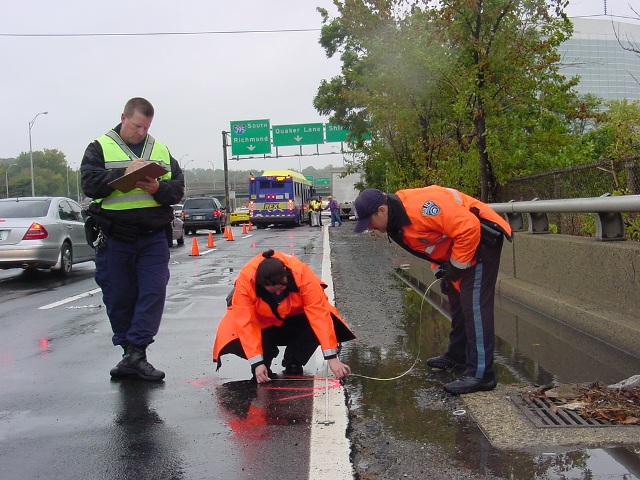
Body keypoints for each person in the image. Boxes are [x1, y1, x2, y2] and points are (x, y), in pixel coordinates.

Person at [352, 187, 512, 394]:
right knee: (457, 302)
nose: (371, 228)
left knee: (474, 307)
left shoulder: (422, 209)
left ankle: (482, 374)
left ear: (381, 210)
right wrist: (442, 271)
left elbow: (468, 227)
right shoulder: (396, 221)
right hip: (460, 246)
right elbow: (430, 245)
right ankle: (458, 355)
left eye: (370, 222)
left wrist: (456, 268)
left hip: (481, 239)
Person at [81, 97, 185, 381]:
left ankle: (136, 351)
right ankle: (131, 355)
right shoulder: (100, 147)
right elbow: (89, 185)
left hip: (152, 237)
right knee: (119, 297)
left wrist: (157, 188)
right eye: (137, 125)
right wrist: (121, 174)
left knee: (153, 291)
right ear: (124, 117)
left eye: (146, 127)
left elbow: (177, 190)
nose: (141, 132)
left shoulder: (160, 149)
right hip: (115, 237)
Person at [213, 249, 355, 383]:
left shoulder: (302, 274)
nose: (277, 293)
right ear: (261, 284)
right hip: (263, 323)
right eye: (271, 290)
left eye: (280, 288)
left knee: (326, 318)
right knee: (238, 333)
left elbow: (319, 315)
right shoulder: (246, 282)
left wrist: (332, 358)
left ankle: (294, 359)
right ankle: (265, 360)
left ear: (286, 276)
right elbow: (246, 323)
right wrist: (257, 362)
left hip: (295, 318)